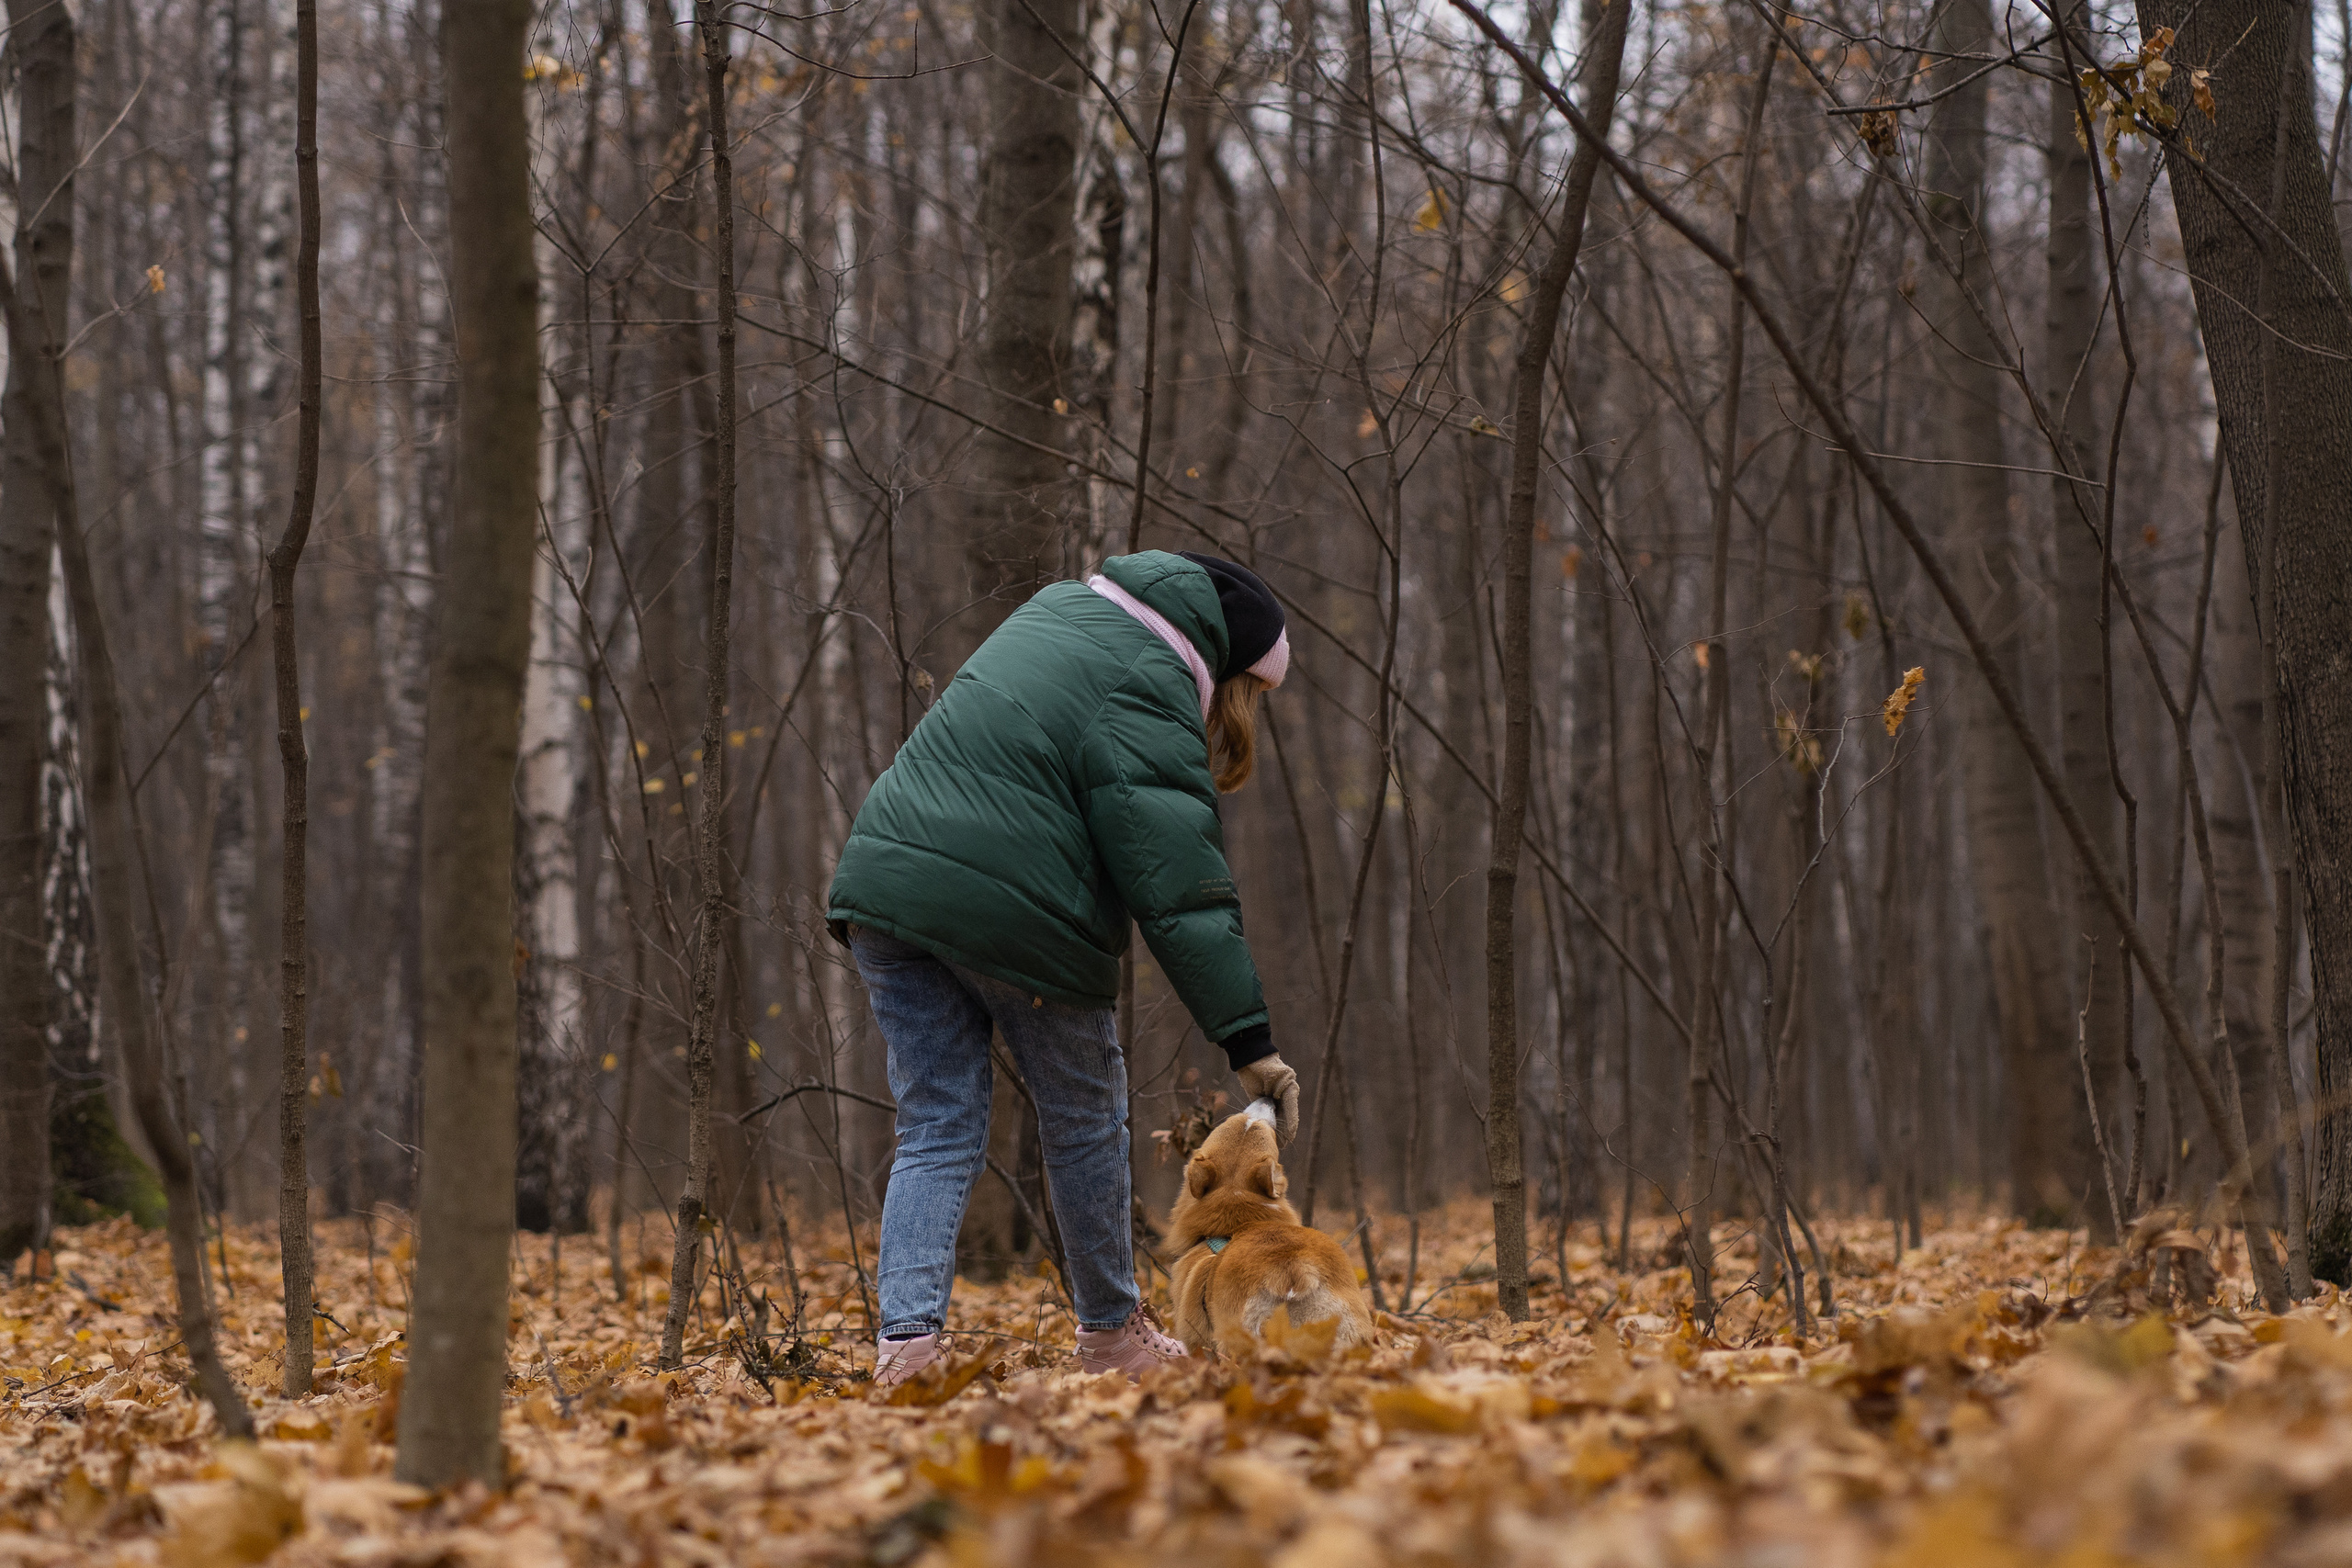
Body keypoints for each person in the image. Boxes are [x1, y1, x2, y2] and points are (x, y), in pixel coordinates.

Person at [827, 549, 1298, 1387]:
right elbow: (1180, 889)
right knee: (1084, 1118)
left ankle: (906, 1351)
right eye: (1250, 695)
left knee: (935, 1123)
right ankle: (1112, 1334)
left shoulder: (1057, 613)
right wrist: (1250, 1044)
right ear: (1227, 668)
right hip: (1013, 910)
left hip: (885, 883)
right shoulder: (1149, 680)